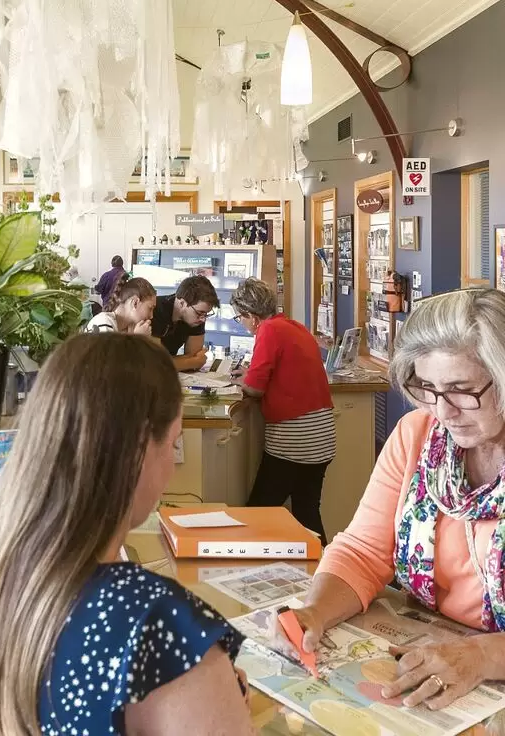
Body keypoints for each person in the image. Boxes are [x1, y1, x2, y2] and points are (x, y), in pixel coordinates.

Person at [0, 334, 252, 735]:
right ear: (137, 448)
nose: (171, 465)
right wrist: (213, 690)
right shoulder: (155, 622)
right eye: (173, 443)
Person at [275, 288, 505, 711]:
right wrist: (314, 612)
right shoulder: (417, 435)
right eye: (428, 388)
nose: (444, 411)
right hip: (434, 658)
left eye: (461, 389)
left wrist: (483, 656)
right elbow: (364, 552)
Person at [230, 278, 335, 544]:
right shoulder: (293, 326)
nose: (241, 324)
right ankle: (323, 570)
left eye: (239, 318)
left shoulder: (268, 331)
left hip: (294, 437)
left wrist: (240, 380)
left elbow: (254, 389)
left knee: (259, 511)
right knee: (306, 511)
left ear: (252, 317)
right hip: (321, 433)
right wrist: (250, 375)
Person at [151, 275, 219, 372]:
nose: (203, 319)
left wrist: (188, 362)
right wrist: (191, 361)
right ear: (182, 303)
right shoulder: (154, 310)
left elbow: (196, 359)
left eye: (206, 314)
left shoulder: (196, 317)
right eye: (200, 313)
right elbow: (155, 364)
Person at [84, 276, 157, 336]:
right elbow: (109, 354)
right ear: (135, 303)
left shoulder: (128, 329)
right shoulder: (104, 322)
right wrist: (138, 339)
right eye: (150, 308)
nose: (151, 316)